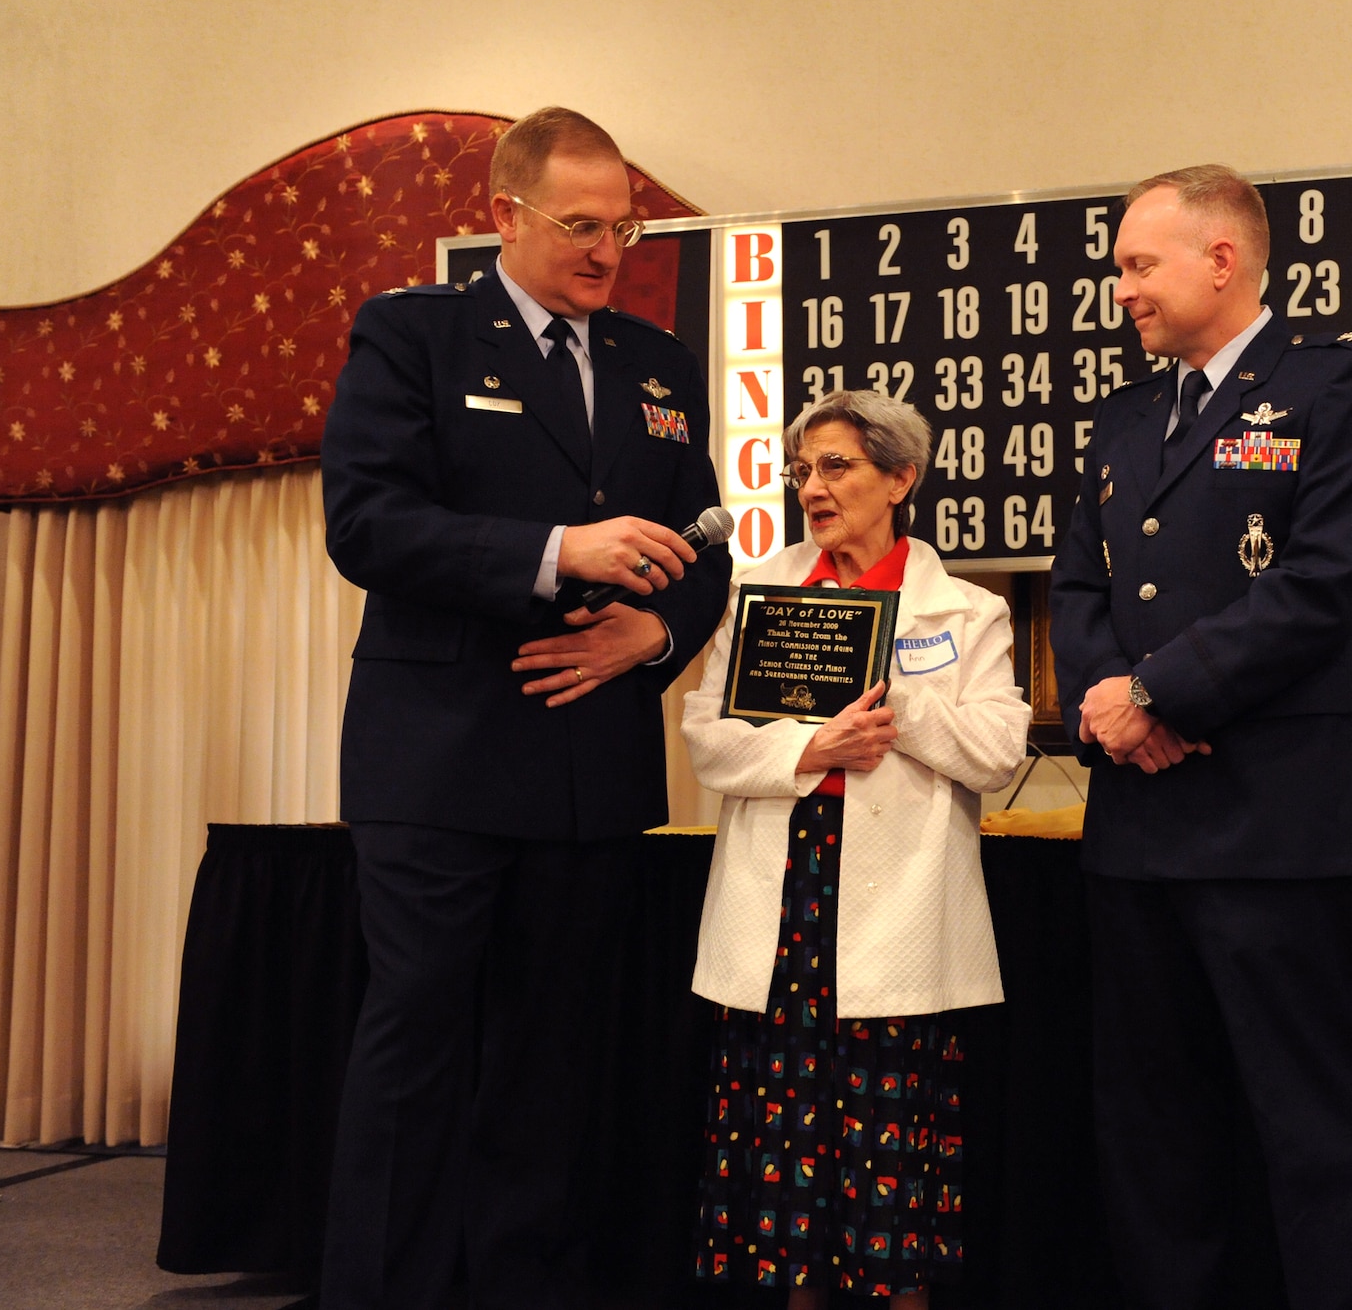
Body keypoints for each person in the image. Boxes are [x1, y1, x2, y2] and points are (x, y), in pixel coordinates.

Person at [317, 106, 730, 1309]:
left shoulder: (657, 362)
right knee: (419, 1054)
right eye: (581, 225)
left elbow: (702, 539)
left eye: (625, 227)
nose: (608, 250)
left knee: (553, 1069)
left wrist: (660, 627)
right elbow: (367, 524)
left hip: (588, 766)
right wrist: (559, 550)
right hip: (439, 765)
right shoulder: (415, 336)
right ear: (505, 214)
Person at [1048, 165, 1352, 1309]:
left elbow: (1320, 583)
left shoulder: (1337, 383)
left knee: (1314, 1133)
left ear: (1222, 258)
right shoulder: (1123, 414)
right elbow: (1077, 585)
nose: (1121, 291)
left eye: (1136, 265)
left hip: (1272, 832)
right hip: (1138, 830)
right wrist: (1116, 703)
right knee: (1152, 1138)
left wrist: (1155, 693)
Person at [680, 390, 1029, 1304]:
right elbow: (707, 736)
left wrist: (892, 700)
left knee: (890, 1140)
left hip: (902, 904)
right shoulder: (762, 591)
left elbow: (997, 752)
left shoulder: (964, 611)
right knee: (786, 1154)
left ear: (900, 477)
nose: (813, 488)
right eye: (802, 471)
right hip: (785, 897)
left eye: (837, 467)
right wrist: (809, 747)